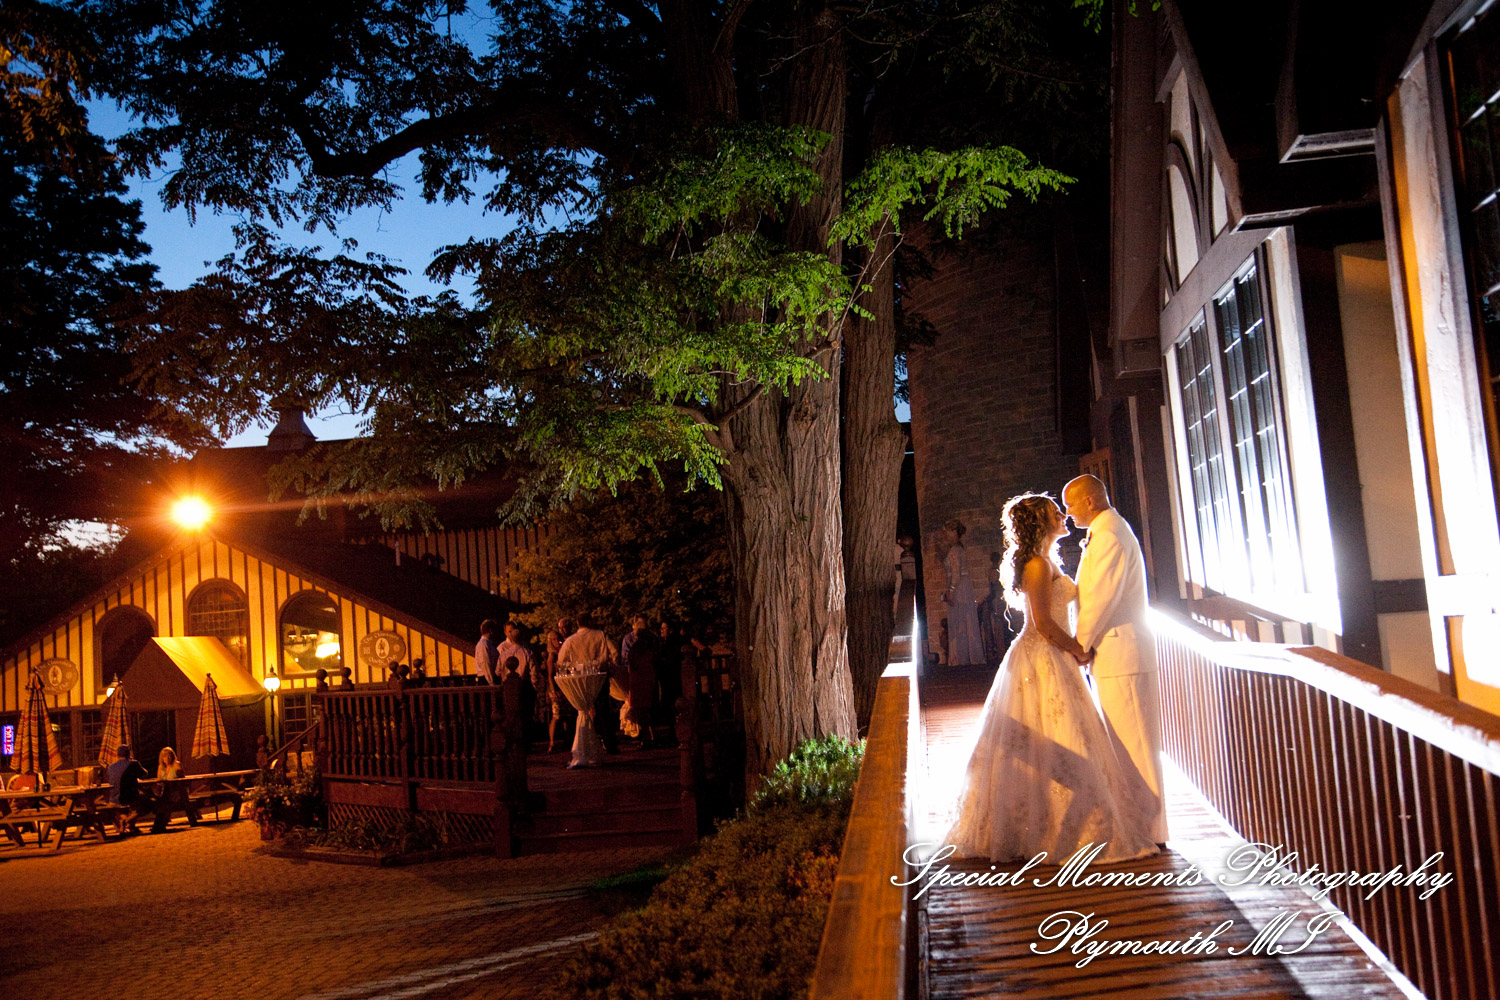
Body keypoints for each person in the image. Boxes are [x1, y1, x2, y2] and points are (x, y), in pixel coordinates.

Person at [944, 493, 1157, 864]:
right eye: (1055, 512)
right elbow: (1042, 623)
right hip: (1042, 656)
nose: (1063, 515)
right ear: (1040, 522)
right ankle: (1049, 829)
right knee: (1053, 735)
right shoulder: (1038, 566)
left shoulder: (1047, 560)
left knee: (1064, 733)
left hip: (1054, 655)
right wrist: (1077, 649)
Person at [1065, 473, 1168, 845]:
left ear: (1090, 501)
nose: (1068, 513)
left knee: (1135, 744)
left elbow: (1100, 599)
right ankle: (1139, 825)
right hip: (1114, 654)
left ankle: (1150, 830)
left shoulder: (1109, 535)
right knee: (1125, 745)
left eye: (1071, 505)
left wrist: (1080, 644)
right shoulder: (1107, 531)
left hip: (1121, 652)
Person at [557, 614, 620, 753]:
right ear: (590, 621)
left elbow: (561, 661)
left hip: (579, 680)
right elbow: (615, 652)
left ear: (578, 623)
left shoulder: (571, 640)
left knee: (581, 709)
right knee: (603, 711)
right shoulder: (600, 635)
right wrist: (612, 667)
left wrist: (572, 669)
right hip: (599, 676)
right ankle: (609, 744)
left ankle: (582, 742)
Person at [940, 519, 986, 666]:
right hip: (961, 586)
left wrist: (951, 590)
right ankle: (964, 655)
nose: (945, 535)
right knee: (964, 620)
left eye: (947, 531)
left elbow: (956, 573)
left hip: (959, 587)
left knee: (960, 621)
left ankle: (961, 657)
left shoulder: (955, 550)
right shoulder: (958, 548)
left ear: (954, 532)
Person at [619, 616, 659, 746]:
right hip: (649, 677)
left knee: (641, 710)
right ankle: (652, 736)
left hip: (638, 679)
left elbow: (631, 663)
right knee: (648, 708)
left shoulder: (636, 648)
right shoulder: (652, 645)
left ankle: (646, 737)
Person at [104, 744, 157, 835]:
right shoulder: (133, 764)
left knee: (123, 808)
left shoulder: (110, 767)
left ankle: (131, 827)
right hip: (130, 797)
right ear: (129, 753)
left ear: (117, 755)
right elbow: (145, 774)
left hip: (113, 798)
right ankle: (126, 821)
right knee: (150, 803)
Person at [545, 618, 576, 753]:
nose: (557, 641)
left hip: (565, 686)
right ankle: (552, 742)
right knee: (556, 715)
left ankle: (567, 740)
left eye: (557, 639)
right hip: (557, 688)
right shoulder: (552, 656)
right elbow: (550, 675)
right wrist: (553, 691)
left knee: (567, 715)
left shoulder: (563, 652)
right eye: (553, 639)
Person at [474, 619, 500, 685]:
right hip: (486, 679)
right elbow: (485, 663)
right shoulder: (483, 644)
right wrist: (491, 682)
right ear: (491, 630)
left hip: (489, 677)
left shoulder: (488, 644)